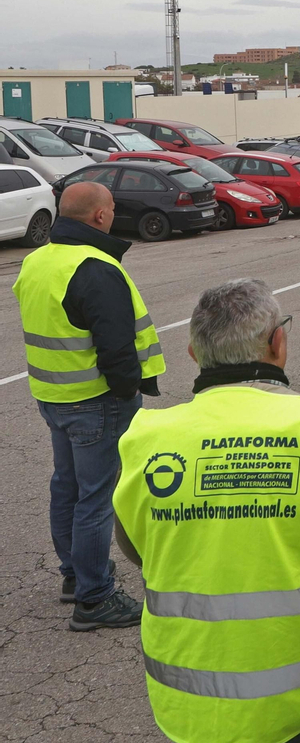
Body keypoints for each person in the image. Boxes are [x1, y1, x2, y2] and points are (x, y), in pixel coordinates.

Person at [112, 279, 300, 743]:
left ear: (192, 353)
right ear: (278, 344)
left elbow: (139, 550)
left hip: (193, 698)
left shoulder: (148, 438)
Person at [14, 181, 164, 631]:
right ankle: (95, 598)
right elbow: (116, 348)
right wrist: (125, 393)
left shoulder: (38, 259)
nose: (114, 214)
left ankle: (75, 578)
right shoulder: (95, 268)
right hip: (96, 402)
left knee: (68, 487)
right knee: (96, 499)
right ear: (100, 216)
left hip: (54, 396)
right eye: (112, 209)